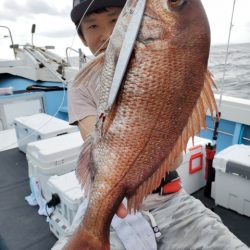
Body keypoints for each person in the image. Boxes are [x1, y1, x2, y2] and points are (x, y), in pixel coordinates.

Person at [56, 0, 249, 249]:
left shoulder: (162, 61)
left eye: (115, 20)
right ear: (81, 38)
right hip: (110, 205)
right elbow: (93, 143)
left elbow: (174, 159)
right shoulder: (81, 85)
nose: (106, 34)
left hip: (170, 198)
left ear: (131, 19)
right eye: (92, 26)